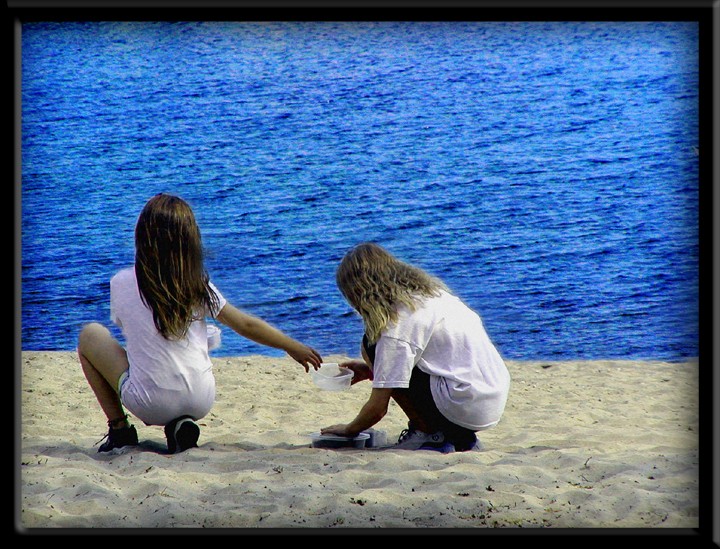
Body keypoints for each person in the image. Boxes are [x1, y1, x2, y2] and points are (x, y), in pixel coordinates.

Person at [78, 193, 322, 454]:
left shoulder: (121, 282)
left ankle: (120, 430)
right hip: (201, 399)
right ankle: (178, 426)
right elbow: (246, 325)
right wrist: (291, 346)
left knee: (90, 335)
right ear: (191, 241)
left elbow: (132, 330)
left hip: (151, 404)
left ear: (142, 237)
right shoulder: (197, 286)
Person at [321, 242, 510, 453]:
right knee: (386, 355)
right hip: (489, 397)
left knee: (371, 345)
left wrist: (348, 430)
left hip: (463, 406)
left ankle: (428, 433)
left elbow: (377, 409)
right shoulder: (434, 296)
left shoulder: (396, 324)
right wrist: (374, 372)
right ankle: (455, 435)